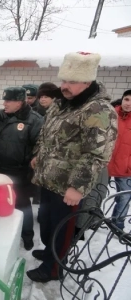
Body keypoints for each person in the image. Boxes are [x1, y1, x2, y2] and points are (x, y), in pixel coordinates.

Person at [27, 51, 118, 283]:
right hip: (48, 178)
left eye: (71, 81)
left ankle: (54, 267)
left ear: (87, 82)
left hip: (68, 185)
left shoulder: (97, 110)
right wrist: (39, 154)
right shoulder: (61, 102)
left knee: (62, 229)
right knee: (46, 223)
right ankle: (50, 252)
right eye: (63, 80)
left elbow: (96, 154)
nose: (64, 86)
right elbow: (46, 134)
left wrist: (77, 187)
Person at [0, 87, 43, 250]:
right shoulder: (0, 116)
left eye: (9, 101)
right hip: (0, 168)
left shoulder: (34, 120)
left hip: (21, 171)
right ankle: (3, 232)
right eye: (4, 100)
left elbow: (41, 145)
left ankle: (27, 236)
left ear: (20, 102)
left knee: (21, 204)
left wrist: (33, 163)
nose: (4, 103)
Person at [108, 89, 131, 230]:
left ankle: (117, 224)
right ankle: (90, 221)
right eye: (127, 99)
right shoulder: (110, 115)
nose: (129, 103)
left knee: (124, 197)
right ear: (122, 99)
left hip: (125, 166)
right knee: (98, 195)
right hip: (105, 163)